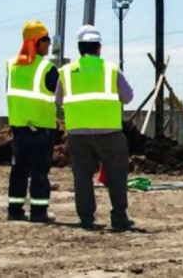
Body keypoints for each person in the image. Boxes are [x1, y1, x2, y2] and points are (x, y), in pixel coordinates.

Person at [55, 24, 134, 231]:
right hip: (110, 132)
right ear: (99, 48)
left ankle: (86, 219)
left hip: (78, 134)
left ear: (80, 48)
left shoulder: (66, 72)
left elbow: (58, 100)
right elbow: (128, 97)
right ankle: (119, 217)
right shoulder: (111, 70)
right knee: (117, 175)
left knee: (82, 176)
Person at [6, 20, 58, 223]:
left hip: (18, 127)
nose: (48, 44)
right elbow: (59, 94)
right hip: (42, 128)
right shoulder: (46, 67)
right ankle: (39, 211)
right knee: (39, 171)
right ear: (36, 42)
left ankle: (15, 209)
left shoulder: (11, 66)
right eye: (46, 40)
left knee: (18, 169)